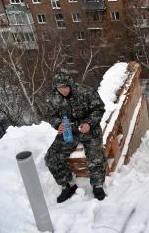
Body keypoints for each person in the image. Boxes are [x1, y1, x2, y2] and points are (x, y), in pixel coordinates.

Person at [44, 72, 107, 203]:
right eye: (60, 88)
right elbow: (50, 115)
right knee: (51, 157)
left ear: (71, 85)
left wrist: (89, 123)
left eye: (66, 87)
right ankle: (68, 185)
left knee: (95, 156)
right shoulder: (52, 98)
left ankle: (97, 185)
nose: (63, 90)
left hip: (89, 129)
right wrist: (57, 124)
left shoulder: (86, 92)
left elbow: (99, 108)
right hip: (68, 131)